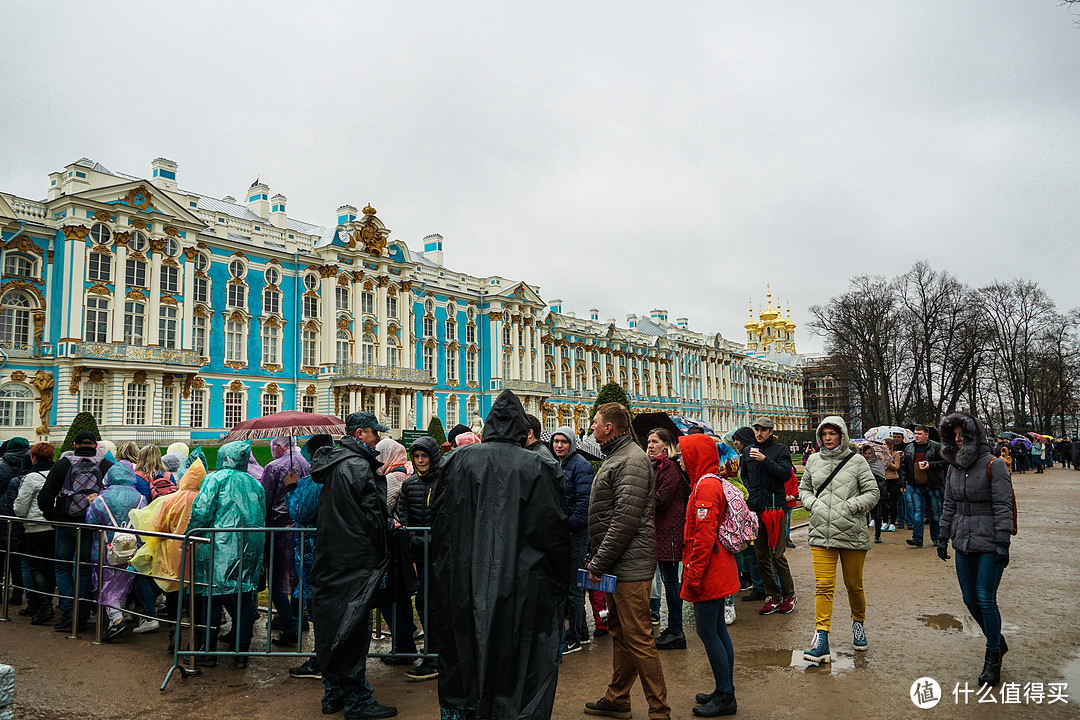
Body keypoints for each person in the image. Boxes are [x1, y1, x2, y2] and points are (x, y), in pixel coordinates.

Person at [432, 390, 569, 720]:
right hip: (520, 584)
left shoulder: (456, 462)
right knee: (515, 661)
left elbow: (439, 522)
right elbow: (553, 534)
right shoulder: (539, 466)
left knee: (464, 657)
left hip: (463, 580)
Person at [584, 402, 670, 720]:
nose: (591, 427)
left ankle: (659, 710)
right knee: (621, 633)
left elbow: (625, 521)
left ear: (609, 427)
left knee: (639, 638)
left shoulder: (631, 459)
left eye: (595, 422)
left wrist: (598, 563)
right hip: (617, 565)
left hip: (628, 566)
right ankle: (618, 697)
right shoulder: (617, 456)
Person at [311, 411, 398, 719]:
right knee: (353, 626)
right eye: (375, 433)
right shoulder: (360, 467)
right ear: (361, 434)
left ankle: (332, 692)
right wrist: (388, 530)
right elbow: (373, 518)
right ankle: (357, 700)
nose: (379, 438)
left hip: (332, 557)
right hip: (357, 558)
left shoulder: (335, 464)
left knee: (333, 622)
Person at [937, 412, 1014, 688]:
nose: (958, 440)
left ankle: (992, 655)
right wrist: (942, 536)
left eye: (962, 435)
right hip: (963, 538)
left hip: (990, 541)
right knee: (969, 599)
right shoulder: (953, 467)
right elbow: (949, 504)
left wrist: (1003, 543)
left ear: (974, 436)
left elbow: (1003, 506)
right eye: (954, 435)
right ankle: (997, 640)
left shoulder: (995, 465)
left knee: (985, 598)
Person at [799, 417, 879, 663]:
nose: (828, 438)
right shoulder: (813, 461)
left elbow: (872, 493)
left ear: (842, 435)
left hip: (851, 532)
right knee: (823, 586)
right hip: (821, 533)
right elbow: (804, 490)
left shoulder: (856, 461)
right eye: (824, 434)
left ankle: (858, 624)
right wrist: (814, 504)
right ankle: (821, 637)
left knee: (854, 585)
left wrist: (850, 506)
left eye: (833, 433)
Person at [186, 440, 266, 668]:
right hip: (249, 546)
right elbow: (261, 516)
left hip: (218, 545)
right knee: (243, 597)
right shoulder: (255, 483)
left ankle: (208, 651)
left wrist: (190, 533)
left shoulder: (214, 478)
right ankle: (242, 652)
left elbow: (202, 510)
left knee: (211, 596)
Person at [678, 433, 741, 717]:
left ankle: (726, 695)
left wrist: (692, 575)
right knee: (716, 628)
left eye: (683, 454)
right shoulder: (708, 482)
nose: (679, 458)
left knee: (707, 630)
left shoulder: (705, 488)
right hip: (717, 565)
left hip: (709, 568)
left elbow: (703, 537)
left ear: (696, 457)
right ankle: (723, 689)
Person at [129, 449, 207, 652]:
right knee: (196, 598)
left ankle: (175, 636)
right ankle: (196, 639)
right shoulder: (206, 499)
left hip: (174, 557)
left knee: (174, 596)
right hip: (200, 556)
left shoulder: (172, 499)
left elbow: (158, 526)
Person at [38, 430, 112, 632]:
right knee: (85, 568)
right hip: (92, 524)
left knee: (62, 567)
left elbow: (44, 497)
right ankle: (83, 613)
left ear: (74, 444)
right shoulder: (105, 465)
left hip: (66, 522)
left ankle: (68, 611)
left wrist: (53, 518)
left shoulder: (63, 464)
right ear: (95, 445)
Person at [392, 436, 443, 680]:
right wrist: (415, 539)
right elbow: (404, 516)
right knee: (424, 604)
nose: (421, 461)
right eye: (417, 457)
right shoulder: (410, 484)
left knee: (432, 604)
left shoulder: (444, 481)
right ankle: (434, 650)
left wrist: (426, 539)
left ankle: (435, 655)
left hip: (441, 555)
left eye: (425, 456)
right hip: (420, 554)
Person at [85, 462, 152, 641]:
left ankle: (117, 621)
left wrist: (90, 504)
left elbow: (91, 522)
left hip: (106, 547)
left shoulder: (101, 498)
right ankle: (117, 617)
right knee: (122, 582)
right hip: (131, 547)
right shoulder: (140, 498)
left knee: (106, 583)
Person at [741, 417, 797, 615]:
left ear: (771, 431)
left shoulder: (780, 450)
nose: (759, 433)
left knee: (777, 554)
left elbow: (785, 474)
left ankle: (789, 594)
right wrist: (750, 492)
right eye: (756, 429)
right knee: (761, 555)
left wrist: (765, 461)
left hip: (775, 508)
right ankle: (772, 595)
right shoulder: (748, 451)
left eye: (763, 429)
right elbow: (744, 474)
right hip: (756, 508)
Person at [262, 437, 311, 647]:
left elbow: (265, 499)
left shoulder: (273, 467)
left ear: (280, 447)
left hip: (279, 529)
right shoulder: (307, 464)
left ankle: (289, 624)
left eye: (273, 447)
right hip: (302, 527)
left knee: (276, 579)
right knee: (298, 577)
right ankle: (299, 619)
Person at [551, 424, 596, 655]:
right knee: (572, 583)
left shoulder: (581, 466)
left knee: (575, 585)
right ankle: (583, 633)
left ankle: (575, 636)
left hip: (576, 533)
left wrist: (569, 526)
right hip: (566, 531)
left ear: (572, 443)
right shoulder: (559, 464)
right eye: (556, 442)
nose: (559, 445)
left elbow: (584, 504)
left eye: (563, 442)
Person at [644, 427, 686, 652]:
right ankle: (672, 628)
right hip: (661, 530)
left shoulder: (668, 467)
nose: (650, 445)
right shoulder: (655, 466)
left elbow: (662, 499)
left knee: (671, 582)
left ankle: (676, 630)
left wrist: (640, 494)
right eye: (649, 442)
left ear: (666, 445)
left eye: (654, 441)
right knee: (667, 581)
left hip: (670, 531)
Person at [12, 442, 55, 625]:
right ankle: (46, 603)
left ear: (34, 457)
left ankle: (44, 606)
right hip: (54, 526)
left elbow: (20, 508)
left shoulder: (31, 477)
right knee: (51, 566)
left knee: (36, 567)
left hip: (35, 527)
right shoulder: (57, 474)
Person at [899, 425, 946, 548]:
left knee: (935, 513)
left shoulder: (936, 447)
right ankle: (917, 538)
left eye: (919, 433)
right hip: (915, 486)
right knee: (918, 512)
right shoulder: (909, 448)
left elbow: (945, 462)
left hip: (933, 486)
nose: (917, 436)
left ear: (927, 434)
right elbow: (903, 468)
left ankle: (936, 538)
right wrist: (903, 483)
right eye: (915, 433)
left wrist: (930, 465)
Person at [859, 445, 886, 544]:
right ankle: (865, 535)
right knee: (864, 514)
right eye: (865, 454)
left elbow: (882, 477)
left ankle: (877, 535)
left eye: (869, 453)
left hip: (877, 490)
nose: (867, 456)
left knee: (877, 515)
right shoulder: (860, 464)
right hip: (864, 491)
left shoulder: (878, 463)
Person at [882, 438, 901, 532]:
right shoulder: (880, 455)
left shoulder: (895, 454)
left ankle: (892, 523)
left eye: (885, 444)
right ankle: (885, 521)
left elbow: (897, 467)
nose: (883, 446)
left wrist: (888, 462)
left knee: (893, 502)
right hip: (883, 479)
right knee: (884, 502)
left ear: (889, 445)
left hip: (893, 480)